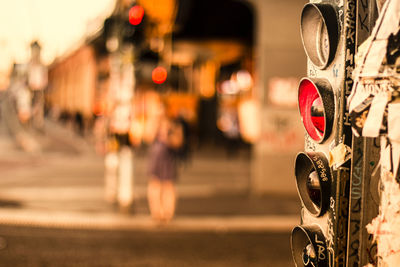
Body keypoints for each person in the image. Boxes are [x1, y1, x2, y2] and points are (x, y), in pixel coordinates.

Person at [147, 112, 184, 223]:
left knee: (168, 186)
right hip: (156, 159)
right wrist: (155, 126)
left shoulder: (175, 126)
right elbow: (147, 137)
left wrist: (169, 134)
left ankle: (168, 212)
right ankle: (156, 212)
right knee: (155, 185)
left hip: (168, 159)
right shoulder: (155, 125)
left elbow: (178, 143)